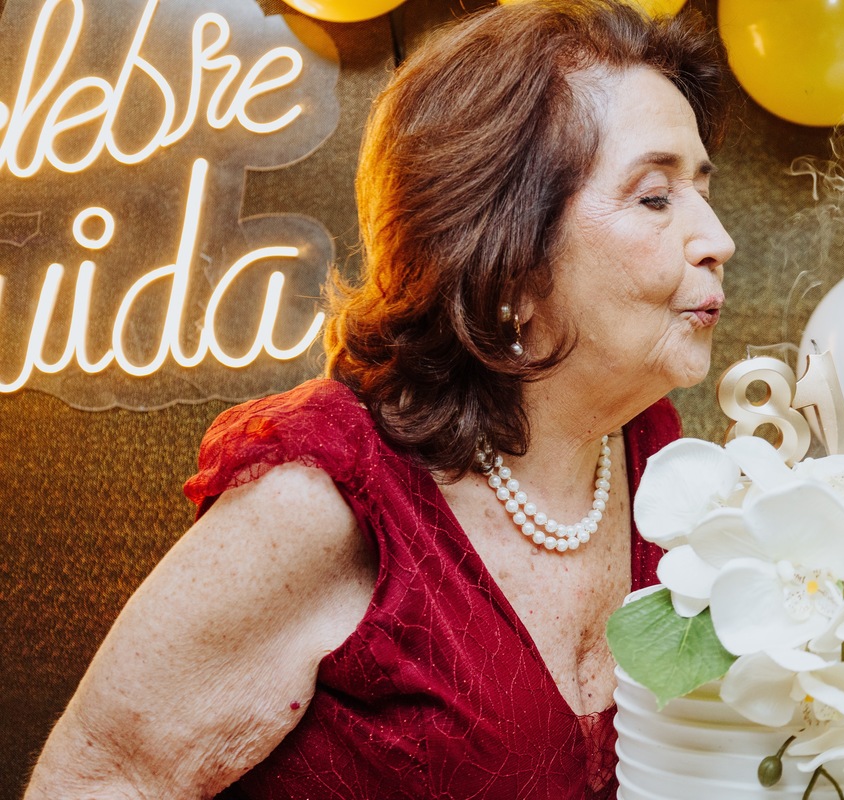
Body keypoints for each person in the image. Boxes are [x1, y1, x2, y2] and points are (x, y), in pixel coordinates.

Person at [23, 0, 735, 796]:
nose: (719, 239)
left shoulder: (657, 458)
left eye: (702, 189)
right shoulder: (320, 498)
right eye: (654, 196)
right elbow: (99, 781)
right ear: (506, 248)